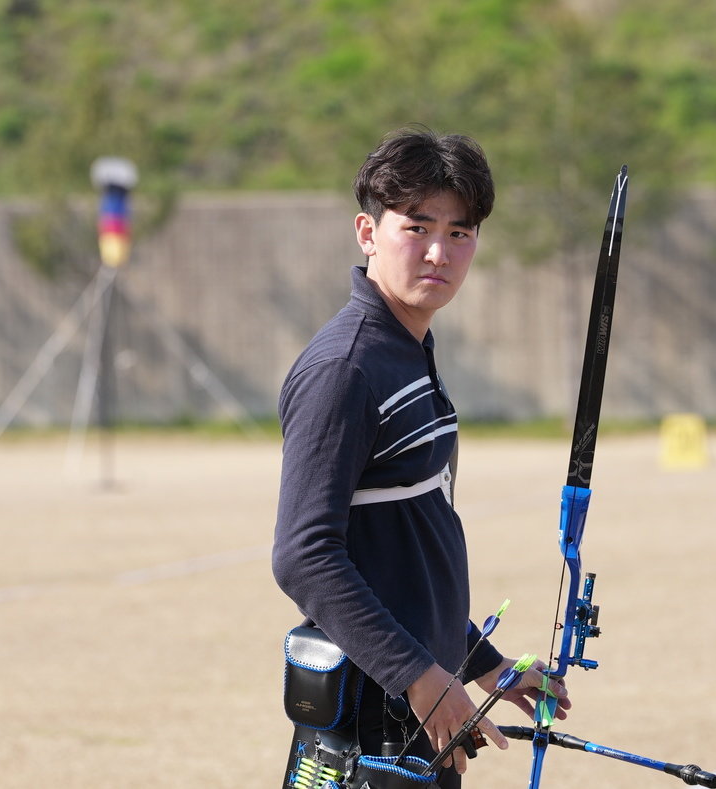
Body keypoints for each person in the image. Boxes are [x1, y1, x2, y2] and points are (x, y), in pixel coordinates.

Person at [273, 127, 570, 786]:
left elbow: (398, 555)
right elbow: (304, 554)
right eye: (417, 227)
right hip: (369, 721)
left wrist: (483, 662)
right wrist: (421, 677)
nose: (439, 251)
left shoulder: (406, 351)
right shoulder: (346, 369)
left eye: (460, 232)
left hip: (416, 709)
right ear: (367, 231)